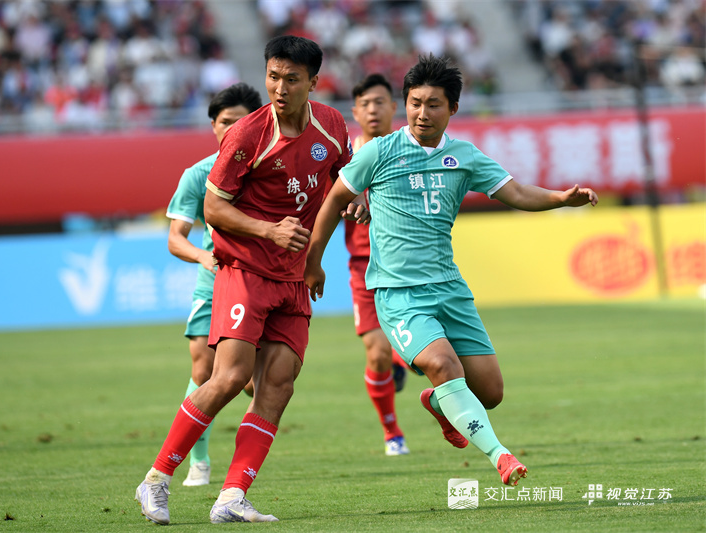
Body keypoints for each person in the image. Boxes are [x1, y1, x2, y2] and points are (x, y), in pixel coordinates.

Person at [305, 55, 598, 487]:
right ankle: (500, 455)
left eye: (434, 104)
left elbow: (517, 192)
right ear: (406, 103)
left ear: (453, 108)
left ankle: (439, 403)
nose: (422, 113)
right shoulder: (378, 153)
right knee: (442, 364)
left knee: (490, 393)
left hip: (450, 289)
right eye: (415, 103)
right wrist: (313, 261)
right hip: (398, 292)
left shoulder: (464, 156)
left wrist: (560, 199)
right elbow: (333, 201)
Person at [135, 35, 367, 525]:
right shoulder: (247, 134)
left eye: (292, 79)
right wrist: (269, 229)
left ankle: (232, 496)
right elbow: (213, 208)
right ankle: (156, 479)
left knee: (279, 385)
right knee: (229, 377)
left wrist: (351, 207)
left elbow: (339, 182)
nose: (280, 88)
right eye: (273, 76)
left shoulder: (331, 126)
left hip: (294, 276)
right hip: (245, 270)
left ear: (313, 82)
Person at [165, 82, 262, 487]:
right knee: (203, 368)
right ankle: (199, 460)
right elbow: (175, 238)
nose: (232, 129)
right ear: (213, 126)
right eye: (225, 122)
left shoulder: (269, 169)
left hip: (262, 284)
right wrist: (204, 257)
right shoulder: (198, 174)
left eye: (241, 122)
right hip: (214, 284)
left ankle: (243, 472)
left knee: (256, 382)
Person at [346, 73, 411, 456]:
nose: (373, 110)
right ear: (355, 112)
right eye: (365, 104)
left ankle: (406, 362)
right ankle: (392, 433)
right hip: (363, 270)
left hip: (406, 266)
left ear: (393, 108)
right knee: (377, 354)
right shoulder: (343, 158)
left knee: (425, 359)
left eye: (380, 102)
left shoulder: (410, 149)